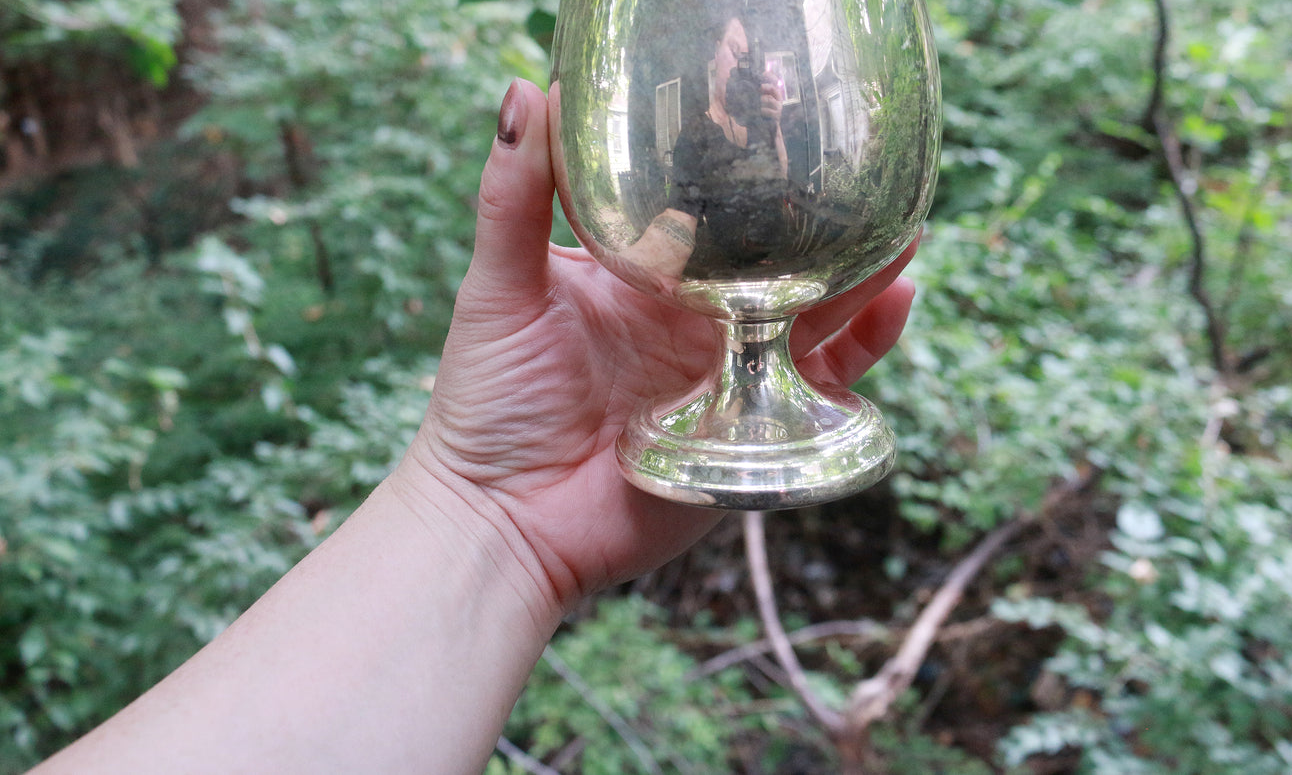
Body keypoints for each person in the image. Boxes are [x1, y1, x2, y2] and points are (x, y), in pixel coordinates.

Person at [28, 77, 918, 775]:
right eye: (732, 67)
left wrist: (487, 515)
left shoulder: (796, 126)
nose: (751, 81)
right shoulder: (691, 134)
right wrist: (485, 507)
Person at [621, 15, 795, 283]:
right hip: (728, 280)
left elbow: (780, 180)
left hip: (784, 271)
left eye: (750, 61)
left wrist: (776, 125)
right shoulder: (696, 132)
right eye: (735, 52)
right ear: (716, 53)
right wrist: (624, 277)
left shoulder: (763, 125)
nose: (742, 66)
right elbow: (680, 217)